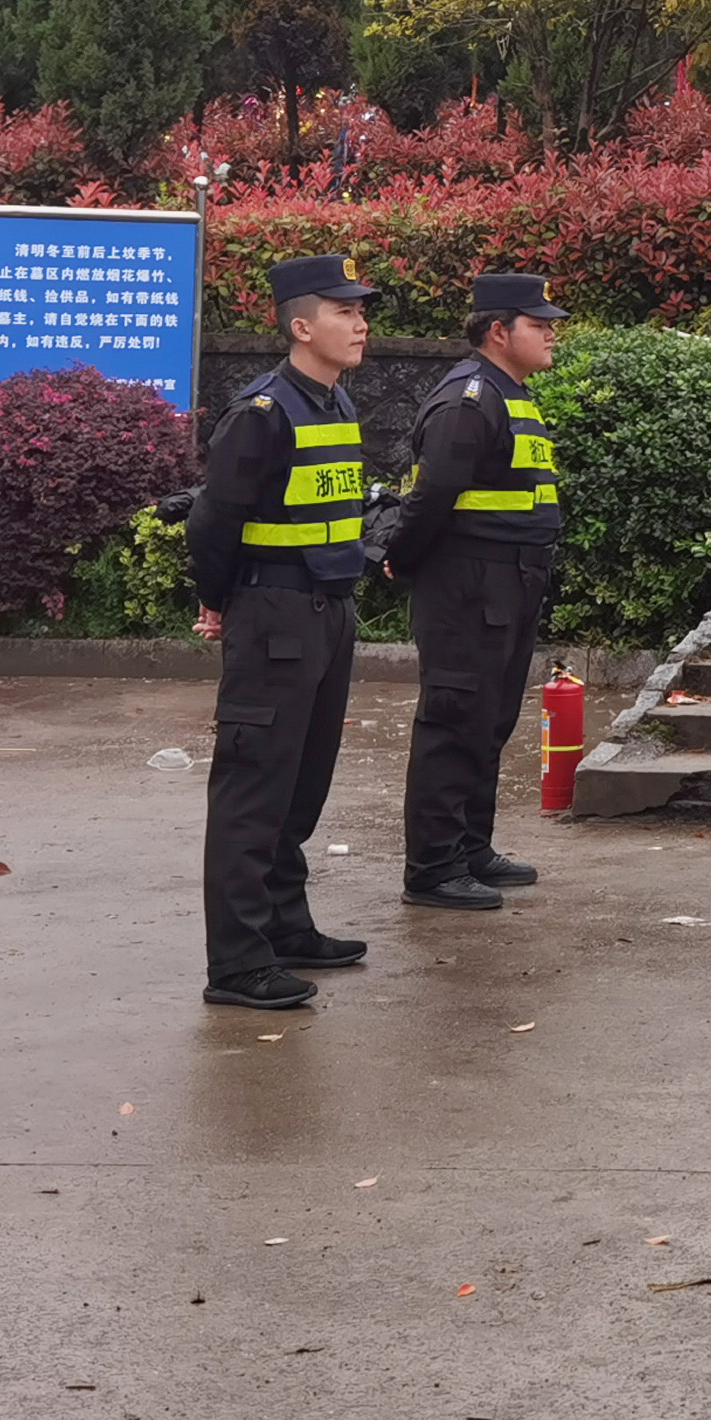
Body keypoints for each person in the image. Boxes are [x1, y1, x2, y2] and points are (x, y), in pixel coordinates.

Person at [184, 252, 382, 1013]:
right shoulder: (262, 414)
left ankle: (285, 928)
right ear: (301, 327)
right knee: (253, 787)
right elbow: (213, 522)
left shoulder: (334, 403)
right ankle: (237, 964)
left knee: (300, 783)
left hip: (328, 611)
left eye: (361, 312)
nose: (360, 324)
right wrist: (218, 601)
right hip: (274, 615)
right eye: (343, 312)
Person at [392, 270, 571, 912]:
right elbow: (432, 494)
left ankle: (471, 848)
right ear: (498, 331)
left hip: (510, 580)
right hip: (468, 582)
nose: (551, 334)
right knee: (454, 718)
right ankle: (433, 868)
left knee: (488, 719)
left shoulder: (510, 393)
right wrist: (400, 559)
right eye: (537, 324)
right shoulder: (469, 398)